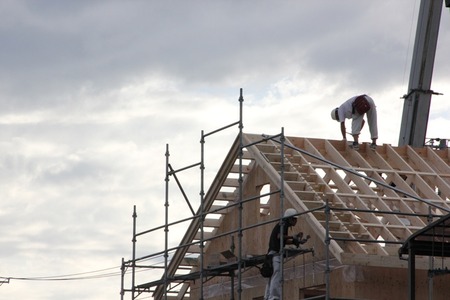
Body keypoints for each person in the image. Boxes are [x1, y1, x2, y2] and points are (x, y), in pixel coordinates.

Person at [264, 208, 303, 300]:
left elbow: (282, 240)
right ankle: (274, 297)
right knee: (276, 274)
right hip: (275, 254)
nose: (295, 221)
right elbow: (279, 236)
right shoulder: (283, 224)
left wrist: (294, 241)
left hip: (272, 254)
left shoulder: (282, 225)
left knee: (272, 275)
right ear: (289, 219)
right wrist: (293, 237)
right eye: (294, 219)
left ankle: (267, 296)